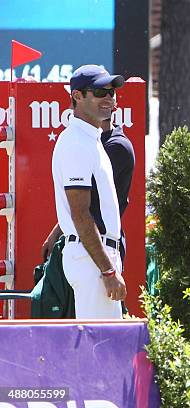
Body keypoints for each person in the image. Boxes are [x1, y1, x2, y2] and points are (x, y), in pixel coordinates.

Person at [51, 65, 127, 319]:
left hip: (95, 257)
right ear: (77, 96)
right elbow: (81, 214)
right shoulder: (76, 143)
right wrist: (107, 271)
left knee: (102, 346)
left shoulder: (89, 138)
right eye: (99, 91)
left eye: (112, 91)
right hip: (92, 259)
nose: (109, 97)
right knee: (102, 348)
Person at [42, 116, 135, 262]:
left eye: (110, 94)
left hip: (100, 246)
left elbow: (86, 205)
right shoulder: (89, 140)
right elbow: (80, 201)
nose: (105, 98)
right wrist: (57, 233)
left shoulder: (117, 146)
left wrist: (108, 272)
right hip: (81, 243)